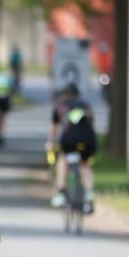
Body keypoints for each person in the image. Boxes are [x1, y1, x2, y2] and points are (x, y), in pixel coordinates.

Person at [48, 83, 97, 214]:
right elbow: (92, 126)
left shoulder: (60, 106)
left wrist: (51, 144)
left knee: (63, 160)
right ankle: (89, 193)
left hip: (69, 139)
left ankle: (61, 192)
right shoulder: (86, 106)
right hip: (88, 139)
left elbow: (54, 130)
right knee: (84, 164)